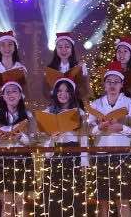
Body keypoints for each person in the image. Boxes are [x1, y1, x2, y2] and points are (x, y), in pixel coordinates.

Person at [89, 64, 131, 217]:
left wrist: (120, 127)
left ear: (121, 85)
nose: (112, 85)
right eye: (109, 81)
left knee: (123, 199)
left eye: (116, 82)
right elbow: (88, 129)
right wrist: (99, 127)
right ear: (104, 84)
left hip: (122, 156)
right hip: (101, 156)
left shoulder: (129, 103)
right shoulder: (96, 104)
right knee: (103, 200)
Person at [0, 81, 34, 217]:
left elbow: (33, 141)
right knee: (6, 204)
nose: (11, 94)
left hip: (22, 160)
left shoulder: (28, 115)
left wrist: (21, 137)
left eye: (14, 91)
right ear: (3, 96)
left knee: (20, 203)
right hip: (1, 160)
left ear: (20, 95)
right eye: (7, 92)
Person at [41, 77, 86, 217]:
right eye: (59, 91)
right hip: (54, 156)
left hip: (73, 156)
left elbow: (84, 138)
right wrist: (51, 139)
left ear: (72, 93)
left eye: (67, 91)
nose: (63, 94)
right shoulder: (47, 112)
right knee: (53, 197)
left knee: (73, 197)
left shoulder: (80, 113)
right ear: (55, 93)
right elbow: (43, 140)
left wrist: (84, 161)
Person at [45, 32, 89, 99]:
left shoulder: (80, 67)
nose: (63, 50)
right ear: (56, 50)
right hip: (56, 102)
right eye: (60, 47)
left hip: (75, 102)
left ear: (72, 50)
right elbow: (45, 91)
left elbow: (85, 89)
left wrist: (72, 93)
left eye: (67, 47)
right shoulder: (50, 68)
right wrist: (55, 93)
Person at [0, 31, 27, 101]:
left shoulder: (21, 68)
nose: (7, 48)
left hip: (16, 105)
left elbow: (25, 94)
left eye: (10, 44)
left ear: (15, 47)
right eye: (3, 45)